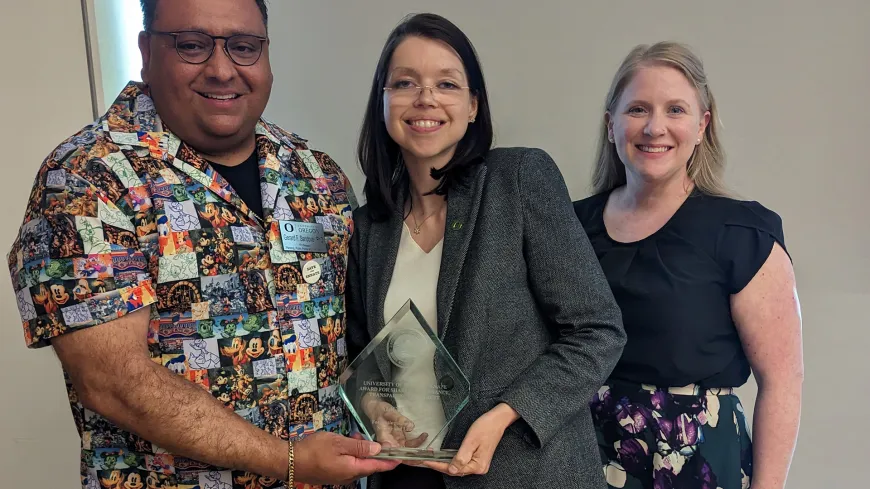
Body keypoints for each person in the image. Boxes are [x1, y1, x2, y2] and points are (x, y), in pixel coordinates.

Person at [6, 0, 399, 487]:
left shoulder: (314, 175)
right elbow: (112, 382)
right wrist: (289, 461)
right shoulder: (87, 180)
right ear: (146, 51)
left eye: (243, 47)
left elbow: (347, 337)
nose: (221, 69)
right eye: (192, 46)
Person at [346, 13, 627, 489]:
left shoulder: (518, 180)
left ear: (473, 105)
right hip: (406, 476)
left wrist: (504, 415)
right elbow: (360, 350)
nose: (426, 98)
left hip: (524, 472)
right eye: (405, 82)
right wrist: (373, 406)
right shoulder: (369, 226)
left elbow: (597, 331)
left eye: (447, 83)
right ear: (384, 102)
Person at [574, 42, 803, 489]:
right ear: (611, 124)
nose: (655, 127)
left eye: (675, 110)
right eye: (637, 109)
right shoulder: (567, 226)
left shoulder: (743, 232)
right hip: (579, 455)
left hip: (695, 463)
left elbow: (783, 384)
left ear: (702, 126)